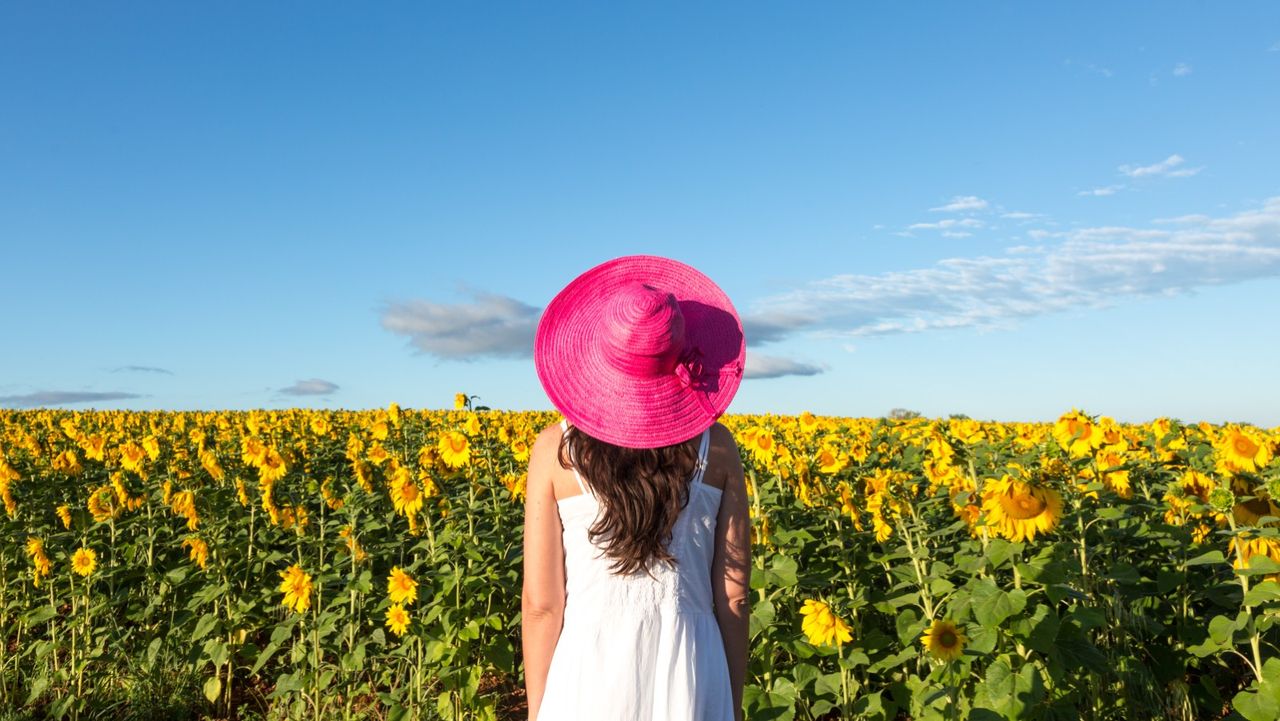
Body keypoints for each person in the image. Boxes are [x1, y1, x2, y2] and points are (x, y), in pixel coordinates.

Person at [520, 255, 752, 721]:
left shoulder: (553, 450)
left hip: (588, 672)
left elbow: (542, 605)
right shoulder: (718, 448)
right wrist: (729, 701)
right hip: (691, 665)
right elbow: (734, 595)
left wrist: (537, 710)